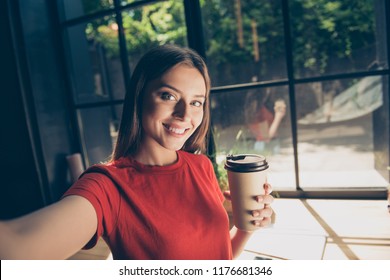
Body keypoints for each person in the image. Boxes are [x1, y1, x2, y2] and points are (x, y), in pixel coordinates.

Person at [0, 44, 274, 260]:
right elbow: (17, 249)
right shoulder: (107, 187)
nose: (184, 114)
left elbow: (218, 257)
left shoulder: (200, 166)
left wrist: (245, 228)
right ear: (140, 96)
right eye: (168, 96)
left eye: (196, 102)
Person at [245, 88, 286, 154]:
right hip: (267, 146)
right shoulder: (260, 112)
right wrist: (278, 116)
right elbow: (266, 137)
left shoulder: (252, 110)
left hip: (261, 145)